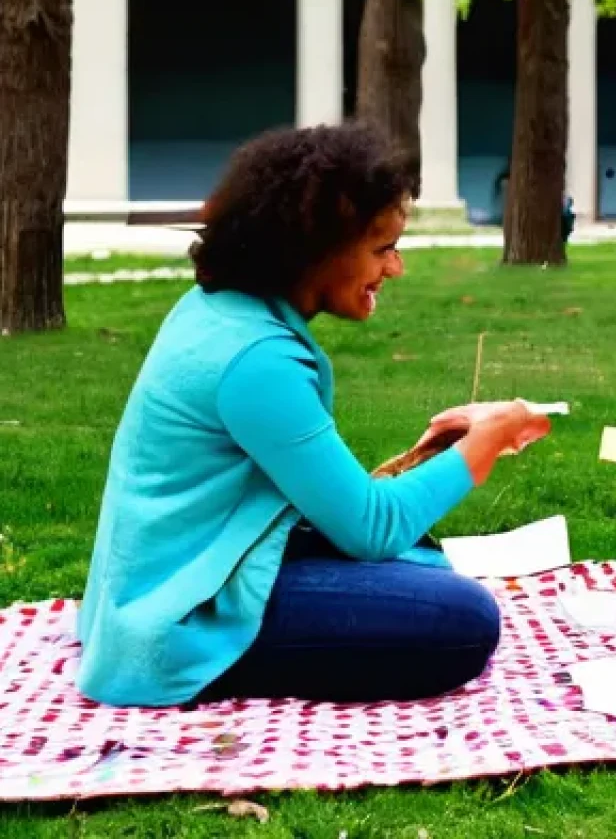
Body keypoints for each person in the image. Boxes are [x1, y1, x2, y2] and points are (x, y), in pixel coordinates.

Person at [76, 123, 551, 708]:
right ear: (314, 250)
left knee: (426, 565)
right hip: (177, 619)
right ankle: (213, 664)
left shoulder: (224, 313)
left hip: (183, 576)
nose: (395, 268)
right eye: (382, 249)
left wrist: (437, 457)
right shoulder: (256, 359)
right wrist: (486, 443)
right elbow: (373, 529)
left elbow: (336, 505)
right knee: (463, 617)